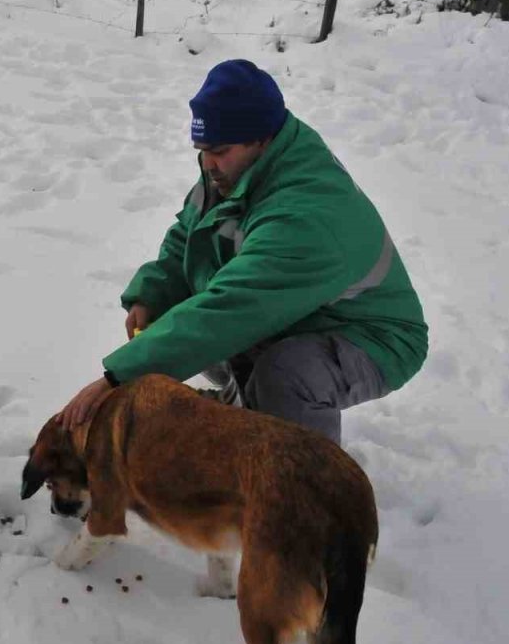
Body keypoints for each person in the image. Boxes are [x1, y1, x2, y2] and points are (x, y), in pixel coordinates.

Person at [61, 59, 428, 444]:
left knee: (283, 373)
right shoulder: (236, 168)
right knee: (192, 329)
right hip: (300, 311)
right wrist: (154, 292)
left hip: (374, 336)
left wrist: (117, 378)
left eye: (219, 151)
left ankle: (304, 488)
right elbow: (190, 232)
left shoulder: (305, 213)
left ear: (262, 139)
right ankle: (242, 414)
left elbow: (231, 310)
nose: (207, 164)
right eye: (201, 150)